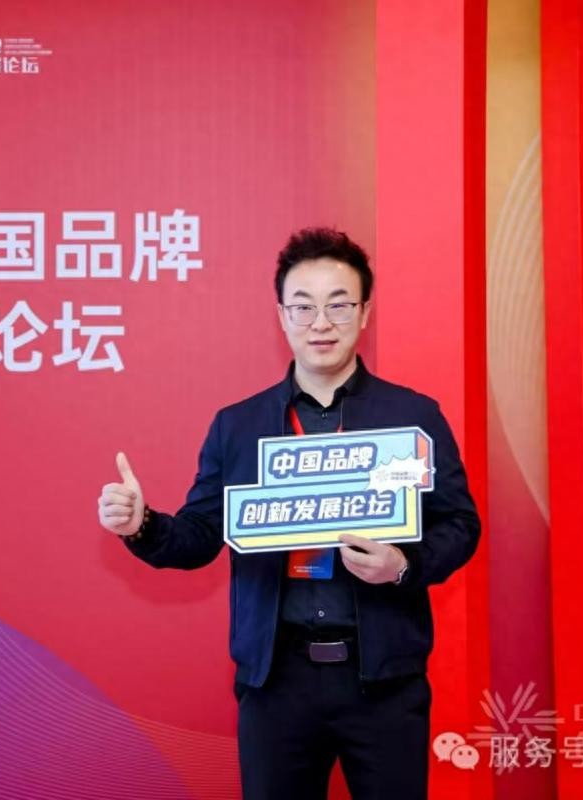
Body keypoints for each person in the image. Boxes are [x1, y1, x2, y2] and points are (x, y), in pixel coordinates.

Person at [97, 227, 480, 800]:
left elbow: (460, 525)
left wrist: (403, 564)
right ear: (281, 316)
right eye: (303, 307)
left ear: (365, 312)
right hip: (277, 683)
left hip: (383, 680)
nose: (320, 323)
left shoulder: (412, 416)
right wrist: (142, 525)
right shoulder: (238, 426)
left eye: (338, 305)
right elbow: (201, 535)